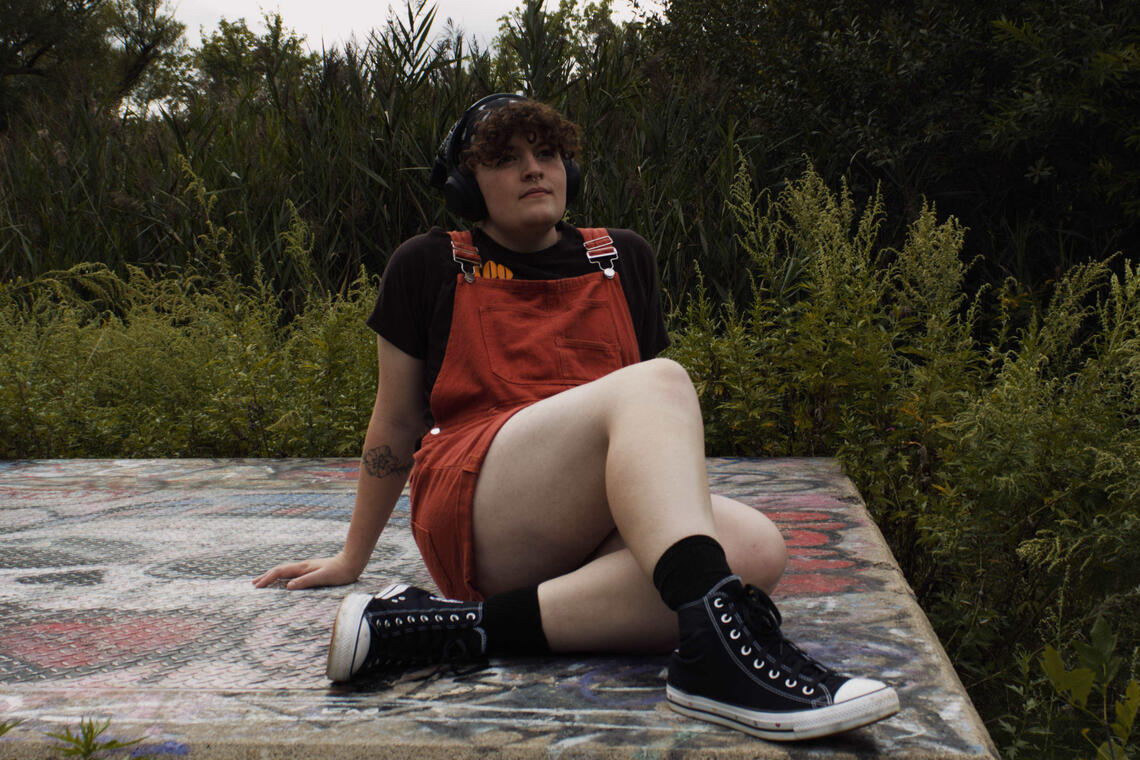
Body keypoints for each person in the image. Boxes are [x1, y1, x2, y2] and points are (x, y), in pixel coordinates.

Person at [253, 94, 899, 741]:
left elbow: (649, 438)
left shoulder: (623, 258)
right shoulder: (428, 263)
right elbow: (395, 425)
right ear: (466, 187)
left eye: (548, 154)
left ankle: (449, 627)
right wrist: (352, 556)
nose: (534, 169)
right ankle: (717, 662)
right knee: (658, 382)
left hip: (590, 517)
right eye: (506, 159)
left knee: (757, 548)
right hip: (480, 507)